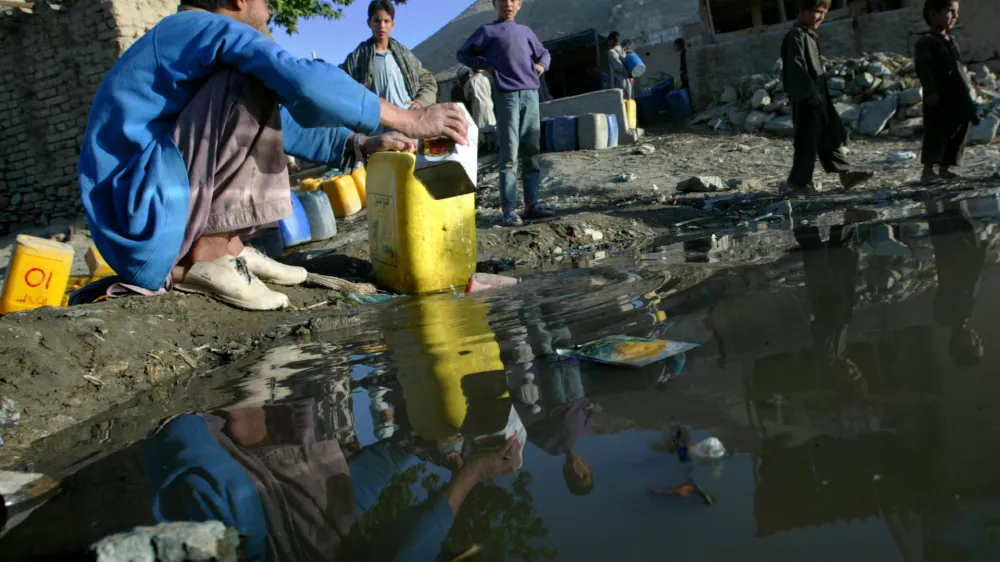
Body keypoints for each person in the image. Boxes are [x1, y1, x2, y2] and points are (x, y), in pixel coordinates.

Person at [78, 0, 468, 311]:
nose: (269, 9)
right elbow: (302, 79)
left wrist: (360, 144)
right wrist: (408, 118)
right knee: (252, 73)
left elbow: (277, 119)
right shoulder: (200, 29)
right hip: (143, 221)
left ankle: (229, 247)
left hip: (146, 212)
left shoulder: (187, 36)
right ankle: (210, 251)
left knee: (255, 78)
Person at [457, 0, 555, 227]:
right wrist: (484, 64)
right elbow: (463, 54)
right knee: (510, 152)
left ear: (519, 4)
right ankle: (509, 209)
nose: (507, 4)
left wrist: (541, 67)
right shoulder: (487, 31)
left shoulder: (525, 32)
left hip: (531, 94)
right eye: (502, 0)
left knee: (531, 149)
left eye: (512, 0)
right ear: (494, 4)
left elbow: (544, 54)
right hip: (507, 96)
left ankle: (532, 204)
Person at [781, 0, 872, 195]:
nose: (821, 17)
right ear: (802, 10)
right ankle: (797, 183)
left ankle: (845, 174)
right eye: (817, 12)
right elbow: (795, 67)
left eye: (823, 13)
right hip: (807, 100)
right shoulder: (795, 36)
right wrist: (809, 92)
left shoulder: (809, 36)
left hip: (818, 98)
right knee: (808, 141)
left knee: (829, 136)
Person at [915, 0, 978, 185]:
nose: (955, 17)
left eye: (955, 12)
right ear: (933, 14)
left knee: (960, 129)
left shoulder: (950, 41)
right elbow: (923, 68)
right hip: (939, 97)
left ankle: (945, 168)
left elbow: (958, 67)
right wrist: (931, 90)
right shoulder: (926, 42)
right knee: (937, 131)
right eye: (950, 11)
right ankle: (928, 171)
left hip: (957, 95)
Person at [341, 0, 438, 119]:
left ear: (393, 24)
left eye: (386, 21)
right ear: (369, 23)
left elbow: (427, 80)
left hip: (408, 124)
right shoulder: (356, 60)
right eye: (377, 20)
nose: (382, 26)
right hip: (376, 129)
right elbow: (343, 88)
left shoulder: (405, 56)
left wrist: (422, 101)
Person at [606, 31, 634, 100]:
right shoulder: (624, 50)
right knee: (631, 104)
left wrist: (629, 75)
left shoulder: (611, 52)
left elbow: (619, 67)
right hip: (629, 82)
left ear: (612, 40)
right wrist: (631, 76)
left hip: (620, 83)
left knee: (623, 103)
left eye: (608, 41)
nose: (608, 44)